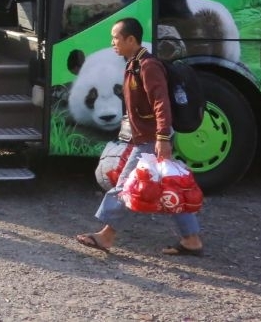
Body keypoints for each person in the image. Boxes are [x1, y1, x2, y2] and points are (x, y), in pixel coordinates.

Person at [76, 17, 204, 256]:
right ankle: (191, 239)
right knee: (169, 185)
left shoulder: (148, 67)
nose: (113, 42)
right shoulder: (134, 64)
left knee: (126, 185)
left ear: (131, 40)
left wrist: (162, 138)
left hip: (152, 138)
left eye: (116, 37)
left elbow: (161, 104)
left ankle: (106, 236)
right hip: (147, 137)